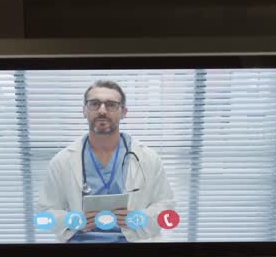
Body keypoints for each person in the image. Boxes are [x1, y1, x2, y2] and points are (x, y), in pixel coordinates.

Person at [36, 80, 176, 244]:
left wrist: (139, 218)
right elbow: (44, 216)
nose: (102, 111)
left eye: (111, 105)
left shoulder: (148, 159)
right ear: (84, 110)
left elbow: (167, 209)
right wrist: (71, 220)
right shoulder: (62, 161)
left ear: (124, 111)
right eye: (94, 104)